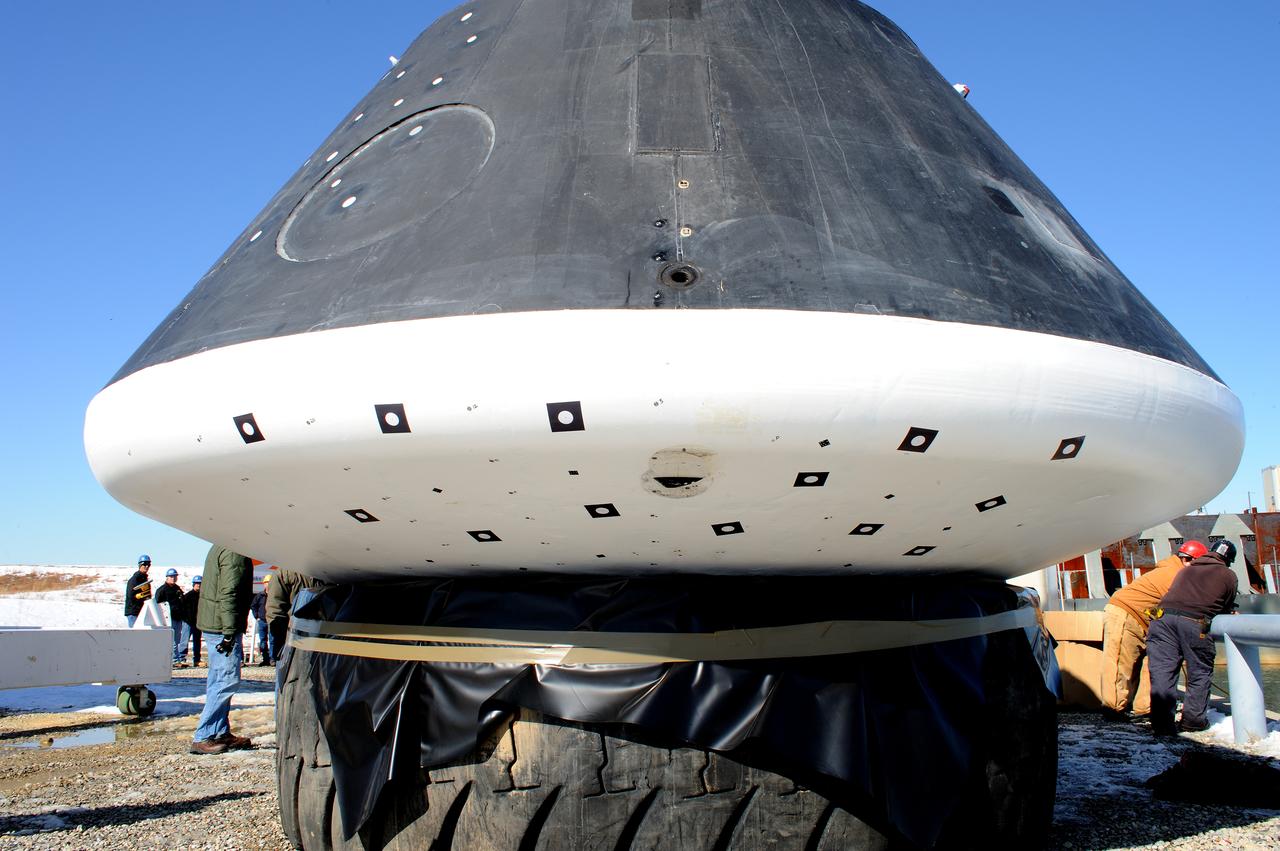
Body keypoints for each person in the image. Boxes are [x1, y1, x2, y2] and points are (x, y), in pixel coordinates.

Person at [1099, 540, 1207, 718]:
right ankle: (1113, 709)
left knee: (1153, 665)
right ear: (1189, 560)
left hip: (1145, 621)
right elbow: (1191, 603)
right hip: (1125, 612)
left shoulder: (1175, 572)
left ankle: (1145, 707)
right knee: (1120, 663)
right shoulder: (1175, 575)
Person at [1147, 539, 1240, 736]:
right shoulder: (1228, 575)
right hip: (1194, 623)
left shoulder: (1185, 571)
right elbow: (1226, 605)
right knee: (1199, 672)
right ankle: (1193, 722)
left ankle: (1162, 725)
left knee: (1163, 673)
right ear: (1228, 559)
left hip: (1162, 621)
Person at [191, 544, 255, 755]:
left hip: (215, 623)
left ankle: (219, 732)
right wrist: (229, 632)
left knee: (218, 679)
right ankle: (204, 735)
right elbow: (229, 592)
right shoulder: (234, 550)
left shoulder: (221, 545)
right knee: (226, 680)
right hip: (222, 627)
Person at [265, 568, 330, 663]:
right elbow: (275, 610)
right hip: (293, 635)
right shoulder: (284, 574)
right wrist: (282, 639)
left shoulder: (326, 570)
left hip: (320, 634)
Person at [154, 568, 189, 666]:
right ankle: (174, 660)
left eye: (175, 576)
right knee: (172, 640)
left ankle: (177, 658)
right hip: (168, 619)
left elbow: (182, 601)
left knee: (177, 640)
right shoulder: (162, 590)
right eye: (172, 576)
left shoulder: (177, 589)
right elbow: (157, 604)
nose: (173, 578)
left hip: (178, 618)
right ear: (167, 577)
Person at [123, 554, 152, 626]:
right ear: (140, 565)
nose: (147, 566)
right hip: (133, 612)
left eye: (148, 564)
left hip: (142, 612)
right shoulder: (134, 579)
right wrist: (141, 595)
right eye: (145, 564)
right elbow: (131, 596)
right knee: (134, 634)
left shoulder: (145, 580)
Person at [250, 575, 273, 665]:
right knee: (263, 641)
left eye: (269, 583)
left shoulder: (274, 596)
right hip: (262, 621)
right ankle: (265, 659)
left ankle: (272, 659)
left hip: (272, 621)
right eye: (266, 583)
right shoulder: (259, 596)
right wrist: (257, 617)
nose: (268, 585)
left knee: (273, 640)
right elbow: (253, 606)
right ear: (264, 584)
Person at [182, 576, 203, 666]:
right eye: (197, 584)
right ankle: (181, 658)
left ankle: (197, 659)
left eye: (200, 584)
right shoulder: (187, 596)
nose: (198, 585)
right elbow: (182, 609)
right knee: (184, 640)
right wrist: (186, 619)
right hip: (188, 622)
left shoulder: (203, 597)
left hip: (198, 623)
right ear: (193, 584)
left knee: (197, 641)